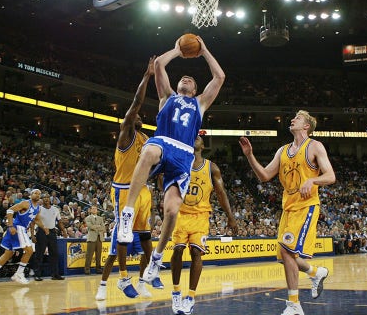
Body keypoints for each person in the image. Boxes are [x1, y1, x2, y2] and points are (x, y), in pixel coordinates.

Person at [124, 36, 225, 285]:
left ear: (194, 89)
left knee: (171, 211)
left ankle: (156, 260)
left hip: (183, 155)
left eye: (190, 80)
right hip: (163, 142)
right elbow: (159, 65)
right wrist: (178, 50)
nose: (186, 79)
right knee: (148, 151)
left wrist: (204, 50)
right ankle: (128, 212)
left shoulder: (199, 103)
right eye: (183, 78)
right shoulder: (166, 97)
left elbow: (220, 77)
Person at [239, 110, 335, 315]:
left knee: (287, 251)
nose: (292, 120)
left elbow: (330, 176)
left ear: (306, 126)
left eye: (297, 119)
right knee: (285, 255)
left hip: (306, 206)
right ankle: (316, 273)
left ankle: (294, 305)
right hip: (288, 209)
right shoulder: (283, 151)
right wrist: (250, 156)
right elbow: (264, 176)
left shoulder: (315, 146)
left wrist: (313, 180)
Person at [96, 56, 157, 301]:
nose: (139, 117)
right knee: (121, 237)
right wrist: (147, 75)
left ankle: (144, 279)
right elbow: (136, 102)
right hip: (123, 189)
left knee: (146, 239)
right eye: (135, 116)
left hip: (142, 190)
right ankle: (121, 278)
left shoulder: (145, 139)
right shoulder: (126, 136)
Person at [170, 135, 238, 314]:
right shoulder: (179, 163)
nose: (195, 138)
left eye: (198, 137)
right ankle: (176, 292)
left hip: (200, 216)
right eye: (192, 136)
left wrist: (230, 216)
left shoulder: (211, 168)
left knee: (195, 252)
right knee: (177, 250)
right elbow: (166, 184)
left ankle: (190, 297)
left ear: (203, 145)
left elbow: (221, 194)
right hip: (181, 214)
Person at [0, 189, 47, 287]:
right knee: (29, 250)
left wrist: (44, 227)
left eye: (39, 194)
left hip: (18, 229)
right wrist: (11, 225)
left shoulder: (38, 208)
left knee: (9, 253)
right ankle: (19, 274)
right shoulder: (25, 203)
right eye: (35, 193)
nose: (37, 195)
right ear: (31, 195)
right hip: (17, 227)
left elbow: (37, 219)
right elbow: (10, 210)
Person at [32, 194, 64, 281]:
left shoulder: (55, 209)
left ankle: (55, 274)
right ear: (42, 200)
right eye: (44, 198)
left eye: (47, 197)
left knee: (54, 253)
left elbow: (60, 221)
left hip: (52, 231)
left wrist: (64, 231)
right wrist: (32, 235)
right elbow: (33, 222)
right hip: (41, 232)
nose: (46, 199)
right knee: (39, 253)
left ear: (49, 199)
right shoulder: (38, 209)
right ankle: (37, 274)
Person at [84, 205, 105, 275]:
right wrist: (98, 226)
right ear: (90, 210)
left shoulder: (100, 218)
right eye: (92, 209)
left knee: (98, 255)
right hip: (91, 238)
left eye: (95, 209)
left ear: (97, 210)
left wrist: (96, 227)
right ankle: (87, 269)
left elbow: (104, 228)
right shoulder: (88, 218)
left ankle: (98, 269)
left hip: (99, 238)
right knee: (89, 255)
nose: (94, 210)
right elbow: (90, 226)